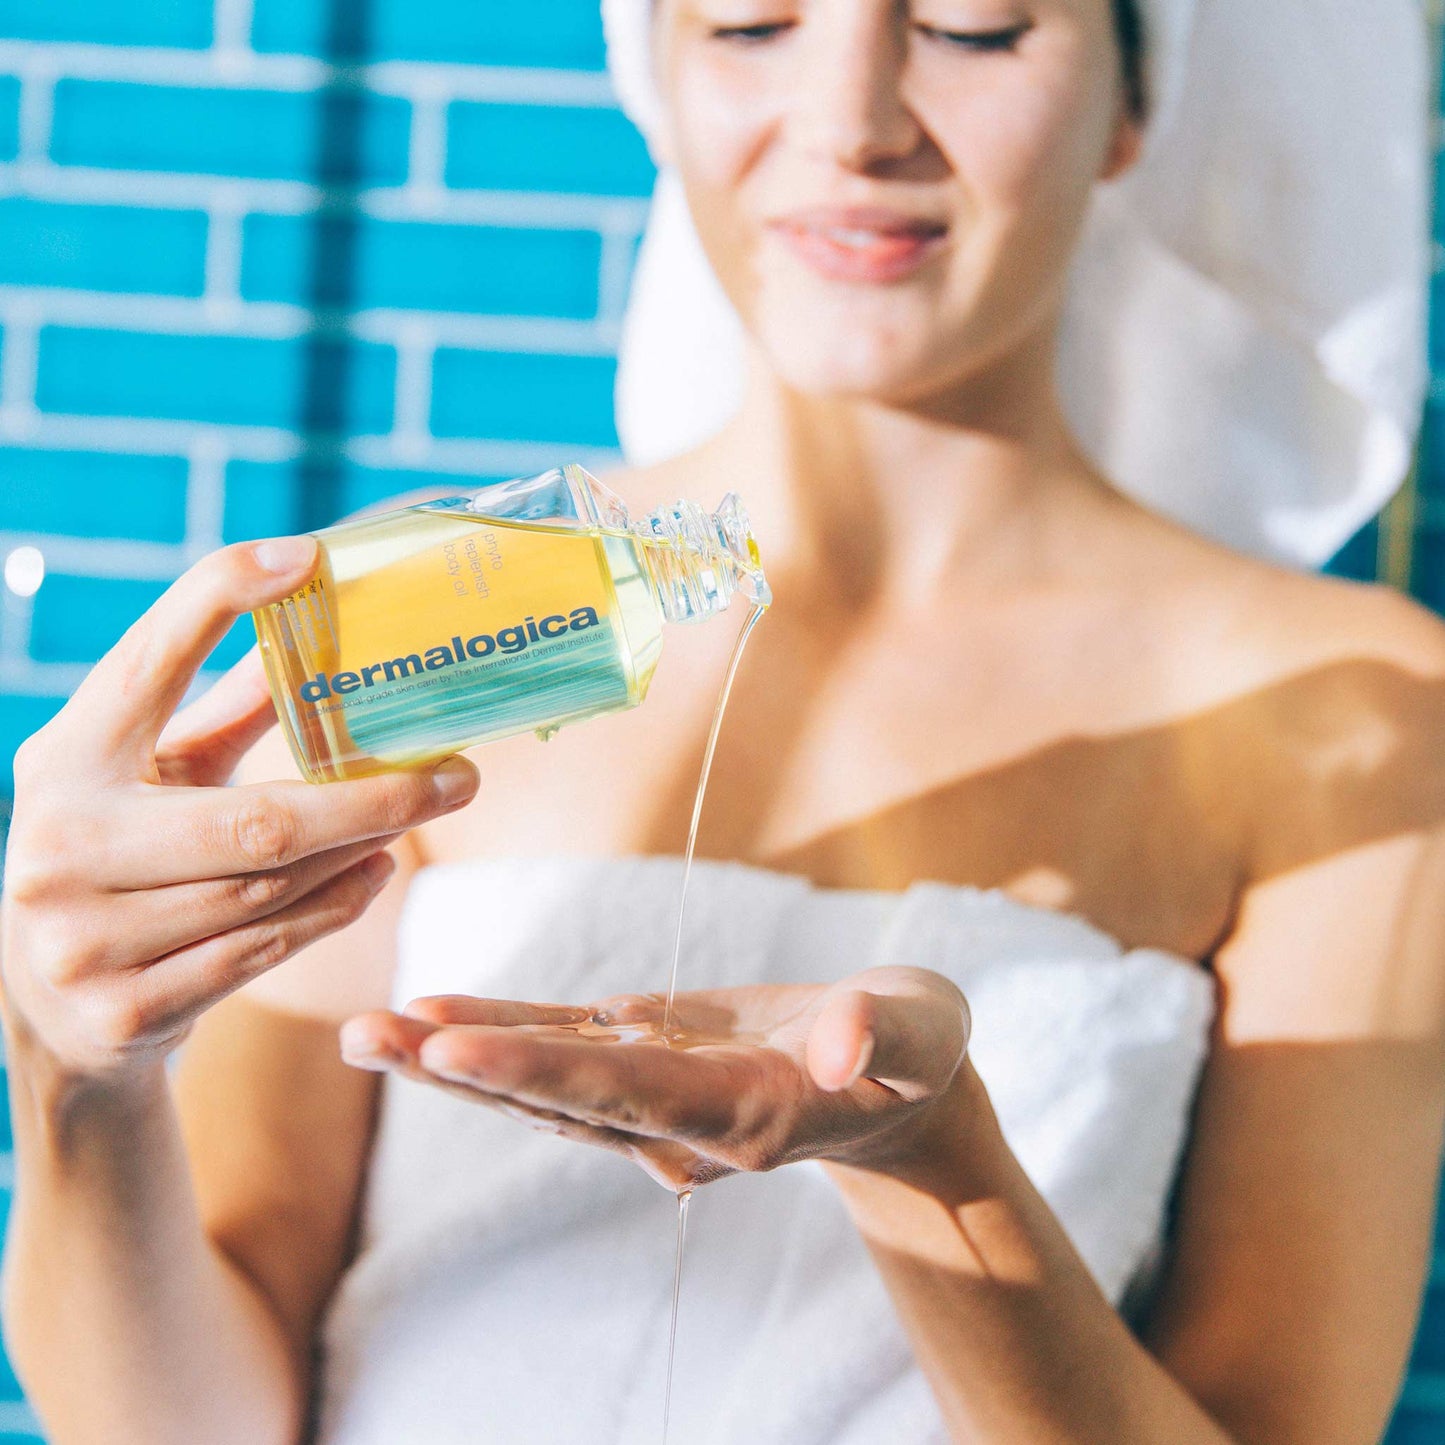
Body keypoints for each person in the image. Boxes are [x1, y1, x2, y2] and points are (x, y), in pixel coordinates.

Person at [2, 1, 1442, 1441]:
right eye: (751, 23)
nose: (848, 123)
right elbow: (180, 1423)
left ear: (1136, 99)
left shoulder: (1357, 718)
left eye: (972, 26)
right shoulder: (438, 613)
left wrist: (933, 1167)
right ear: (660, 76)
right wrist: (76, 1073)